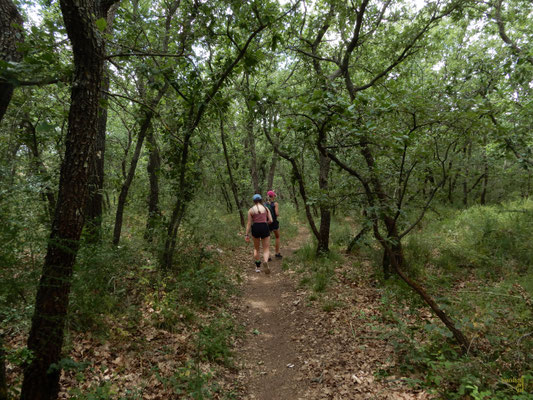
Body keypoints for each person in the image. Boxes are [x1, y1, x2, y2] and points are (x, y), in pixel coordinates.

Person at [245, 194, 273, 273]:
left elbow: (249, 223)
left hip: (255, 228)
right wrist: (264, 223)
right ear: (261, 200)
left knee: (256, 248)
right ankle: (266, 262)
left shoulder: (251, 210)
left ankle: (257, 267)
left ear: (253, 201)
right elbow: (271, 220)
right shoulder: (266, 208)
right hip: (264, 227)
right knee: (266, 248)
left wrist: (246, 234)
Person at [265, 190, 282, 259]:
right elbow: (277, 213)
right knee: (277, 237)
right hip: (274, 222)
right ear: (273, 196)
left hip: (267, 223)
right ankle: (277, 253)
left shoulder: (264, 204)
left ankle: (268, 256)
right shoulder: (275, 204)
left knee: (267, 239)